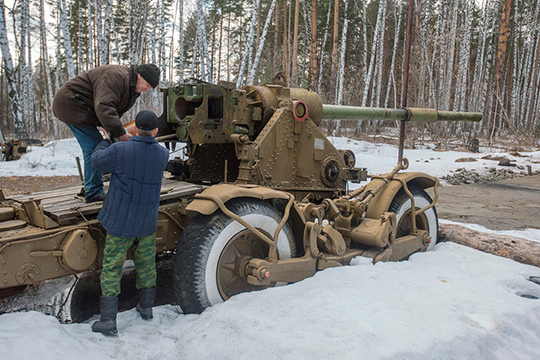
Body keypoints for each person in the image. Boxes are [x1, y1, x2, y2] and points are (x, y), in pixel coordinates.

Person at [90, 110, 169, 336]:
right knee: (146, 265)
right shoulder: (162, 155)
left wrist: (105, 141)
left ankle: (108, 321)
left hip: (120, 224)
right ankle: (146, 309)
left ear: (134, 129)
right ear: (155, 131)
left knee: (112, 269)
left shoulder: (120, 150)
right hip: (146, 223)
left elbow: (97, 162)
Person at [52, 64, 161, 203]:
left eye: (150, 88)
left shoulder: (131, 87)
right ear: (140, 75)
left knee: (108, 142)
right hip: (71, 104)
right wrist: (120, 132)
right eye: (147, 85)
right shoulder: (117, 76)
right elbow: (104, 106)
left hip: (86, 107)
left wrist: (110, 129)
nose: (147, 89)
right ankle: (93, 191)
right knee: (93, 145)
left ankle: (93, 183)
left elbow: (112, 109)